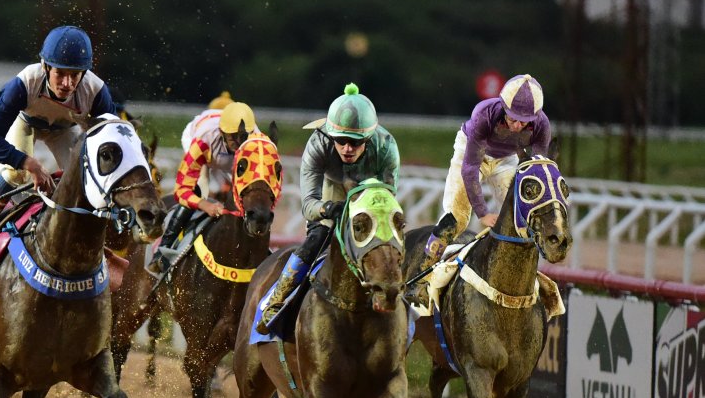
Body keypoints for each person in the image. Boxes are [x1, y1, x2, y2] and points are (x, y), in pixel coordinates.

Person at [0, 25, 117, 269]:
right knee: (14, 173)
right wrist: (30, 164)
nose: (67, 83)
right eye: (60, 73)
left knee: (83, 181)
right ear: (45, 66)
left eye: (75, 75)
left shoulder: (96, 90)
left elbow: (113, 141)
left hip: (64, 130)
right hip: (26, 122)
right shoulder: (24, 83)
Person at [256, 83, 400, 333]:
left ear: (369, 139)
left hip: (370, 195)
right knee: (317, 238)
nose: (347, 148)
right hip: (331, 192)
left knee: (388, 244)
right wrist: (328, 209)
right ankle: (278, 298)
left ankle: (407, 301)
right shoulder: (318, 144)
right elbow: (308, 204)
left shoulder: (386, 146)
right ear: (330, 136)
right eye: (341, 141)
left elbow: (387, 201)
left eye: (355, 142)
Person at [413, 73, 552, 280]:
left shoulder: (542, 124)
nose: (517, 126)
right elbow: (470, 168)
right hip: (471, 154)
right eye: (513, 118)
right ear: (504, 107)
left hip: (507, 158)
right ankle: (426, 267)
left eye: (524, 122)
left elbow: (537, 170)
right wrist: (483, 213)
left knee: (519, 217)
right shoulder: (484, 113)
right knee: (457, 217)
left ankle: (517, 273)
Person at [146, 100, 258, 274]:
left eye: (242, 136)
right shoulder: (203, 140)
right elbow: (182, 191)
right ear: (222, 132)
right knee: (199, 189)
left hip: (225, 156)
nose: (238, 142)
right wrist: (205, 205)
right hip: (202, 144)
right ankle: (162, 250)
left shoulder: (257, 142)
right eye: (233, 136)